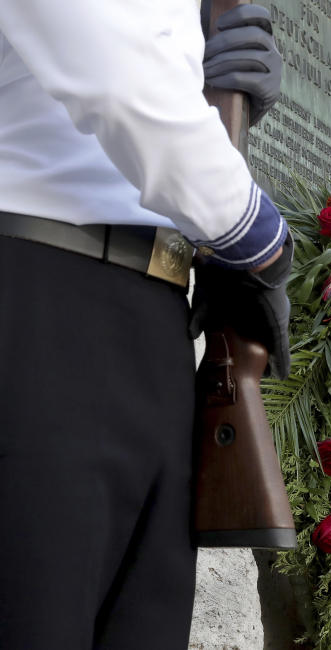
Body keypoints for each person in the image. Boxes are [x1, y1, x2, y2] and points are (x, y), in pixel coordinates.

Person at [0, 2, 290, 648]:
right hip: (42, 288)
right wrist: (253, 230)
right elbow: (113, 73)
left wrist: (214, 105)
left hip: (155, 308)